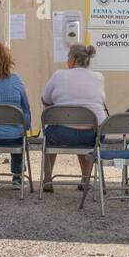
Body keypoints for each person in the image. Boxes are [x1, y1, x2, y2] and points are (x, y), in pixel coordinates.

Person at [40, 43, 106, 192]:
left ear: (74, 59)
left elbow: (45, 100)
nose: (66, 60)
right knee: (84, 129)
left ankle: (48, 180)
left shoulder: (59, 75)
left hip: (61, 134)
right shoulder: (98, 77)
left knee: (52, 132)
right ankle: (85, 179)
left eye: (68, 56)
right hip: (93, 135)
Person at [0, 42, 31, 189]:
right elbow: (26, 108)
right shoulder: (16, 80)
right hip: (13, 137)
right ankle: (17, 177)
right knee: (19, 135)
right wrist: (26, 128)